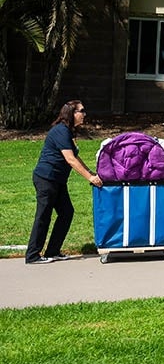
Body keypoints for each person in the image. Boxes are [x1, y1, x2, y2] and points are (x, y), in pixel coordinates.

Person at [26, 100, 103, 264]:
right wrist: (90, 178)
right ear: (71, 113)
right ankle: (32, 255)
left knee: (66, 212)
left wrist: (91, 172)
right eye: (81, 111)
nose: (84, 114)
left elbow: (75, 157)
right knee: (43, 216)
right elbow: (70, 160)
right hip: (46, 178)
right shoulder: (61, 131)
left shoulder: (69, 131)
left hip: (57, 180)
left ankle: (53, 251)